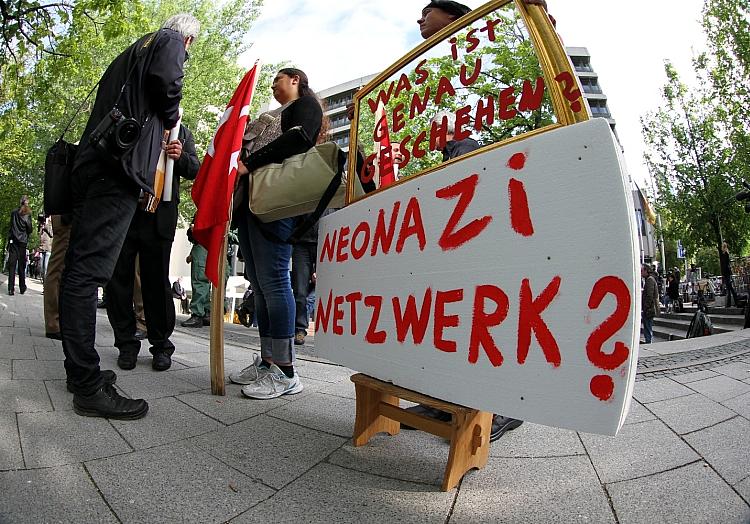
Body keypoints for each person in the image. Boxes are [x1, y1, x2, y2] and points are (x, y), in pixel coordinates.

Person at [59, 13, 199, 420]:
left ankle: (79, 371)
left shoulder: (129, 54)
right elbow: (168, 82)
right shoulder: (170, 40)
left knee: (79, 272)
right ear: (188, 39)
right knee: (88, 275)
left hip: (92, 167)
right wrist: (171, 117)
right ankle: (86, 383)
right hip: (117, 170)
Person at [228, 68, 325, 399]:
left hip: (277, 204)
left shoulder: (305, 107)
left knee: (274, 281)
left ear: (296, 79)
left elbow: (301, 138)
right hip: (253, 206)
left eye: (278, 79)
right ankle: (269, 361)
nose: (273, 85)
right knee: (260, 284)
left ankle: (285, 370)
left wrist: (250, 162)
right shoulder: (268, 116)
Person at [106, 123, 199, 371]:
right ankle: (126, 344)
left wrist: (179, 157)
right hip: (125, 212)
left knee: (156, 283)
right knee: (118, 281)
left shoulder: (181, 131)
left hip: (159, 215)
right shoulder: (133, 121)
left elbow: (194, 168)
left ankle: (161, 345)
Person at [43, 214, 72, 339]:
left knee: (59, 267)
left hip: (63, 211)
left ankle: (55, 321)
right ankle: (53, 324)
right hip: (66, 213)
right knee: (58, 267)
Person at [181, 218, 211, 328]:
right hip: (208, 246)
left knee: (200, 280)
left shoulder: (206, 208)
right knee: (205, 281)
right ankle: (206, 313)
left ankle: (198, 314)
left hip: (203, 246)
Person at [7, 196, 33, 295]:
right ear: (27, 203)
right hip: (23, 242)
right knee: (22, 266)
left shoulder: (14, 212)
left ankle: (10, 289)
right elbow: (30, 229)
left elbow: (11, 227)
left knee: (12, 265)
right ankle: (22, 287)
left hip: (13, 241)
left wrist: (9, 241)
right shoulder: (27, 214)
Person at [641, 264, 659, 344]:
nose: (641, 273)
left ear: (646, 271)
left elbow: (650, 295)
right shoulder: (649, 279)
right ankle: (648, 340)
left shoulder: (650, 280)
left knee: (648, 326)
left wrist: (646, 306)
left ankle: (648, 342)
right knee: (647, 326)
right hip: (649, 307)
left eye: (642, 271)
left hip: (649, 308)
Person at [720, 241, 739, 308]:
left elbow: (725, 265)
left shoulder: (725, 254)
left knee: (729, 288)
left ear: (723, 247)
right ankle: (735, 301)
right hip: (727, 272)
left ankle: (730, 303)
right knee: (729, 288)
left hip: (726, 273)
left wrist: (723, 273)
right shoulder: (726, 253)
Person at [38, 215, 53, 280]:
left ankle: (45, 284)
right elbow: (39, 234)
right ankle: (44, 280)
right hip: (42, 248)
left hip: (48, 249)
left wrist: (47, 225)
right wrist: (41, 226)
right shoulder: (42, 225)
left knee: (46, 267)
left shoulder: (50, 224)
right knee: (41, 267)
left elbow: (52, 234)